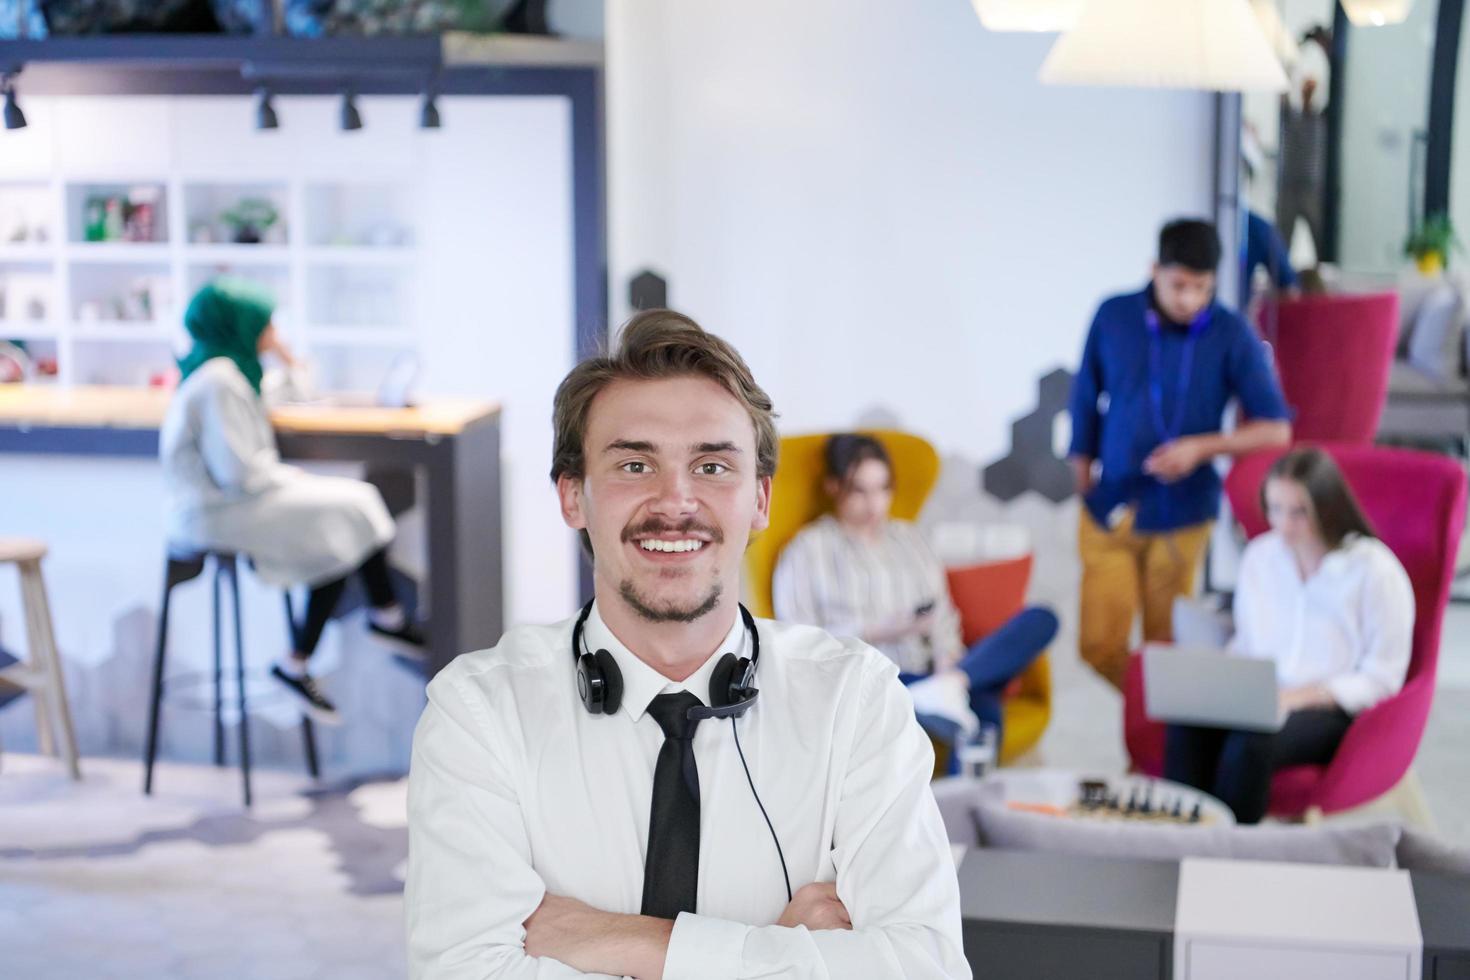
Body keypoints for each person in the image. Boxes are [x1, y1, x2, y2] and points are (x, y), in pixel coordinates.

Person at [406, 310, 969, 979]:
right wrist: (777, 947)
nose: (675, 501)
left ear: (759, 500)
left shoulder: (857, 700)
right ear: (573, 498)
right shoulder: (478, 712)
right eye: (635, 464)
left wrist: (619, 942)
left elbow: (924, 969)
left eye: (710, 466)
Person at [160, 278, 424, 726]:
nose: (272, 330)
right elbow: (239, 472)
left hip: (231, 504)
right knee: (347, 512)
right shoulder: (219, 381)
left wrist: (283, 356)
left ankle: (308, 656)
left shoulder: (231, 371)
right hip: (216, 514)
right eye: (265, 323)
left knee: (341, 521)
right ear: (241, 324)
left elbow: (293, 390)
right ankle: (382, 618)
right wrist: (289, 476)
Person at [1068, 219, 1292, 691]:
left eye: (1201, 288)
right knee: (1098, 645)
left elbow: (1276, 429)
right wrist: (1081, 470)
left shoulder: (1231, 333)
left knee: (1164, 647)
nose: (1189, 299)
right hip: (1112, 504)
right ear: (1154, 270)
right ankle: (1158, 716)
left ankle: (1156, 744)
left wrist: (1204, 447)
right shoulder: (1113, 315)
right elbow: (1084, 396)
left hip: (1184, 512)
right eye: (1178, 286)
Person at [772, 433, 1057, 763]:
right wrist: (875, 630)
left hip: (933, 672)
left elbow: (943, 615)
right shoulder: (807, 550)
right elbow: (795, 642)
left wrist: (946, 660)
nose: (873, 504)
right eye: (859, 491)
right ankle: (954, 697)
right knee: (982, 718)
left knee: (1041, 619)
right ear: (834, 487)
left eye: (882, 489)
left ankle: (954, 684)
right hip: (875, 678)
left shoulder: (910, 540)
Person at [1164, 447, 1414, 823]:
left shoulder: (1374, 572)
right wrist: (1214, 682)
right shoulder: (1262, 557)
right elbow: (1247, 642)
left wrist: (1299, 698)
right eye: (1275, 508)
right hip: (1265, 693)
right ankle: (1179, 842)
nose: (1284, 524)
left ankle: (1233, 853)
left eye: (1299, 512)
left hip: (1330, 707)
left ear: (1327, 507)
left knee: (1251, 743)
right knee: (1187, 724)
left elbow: (1382, 678)